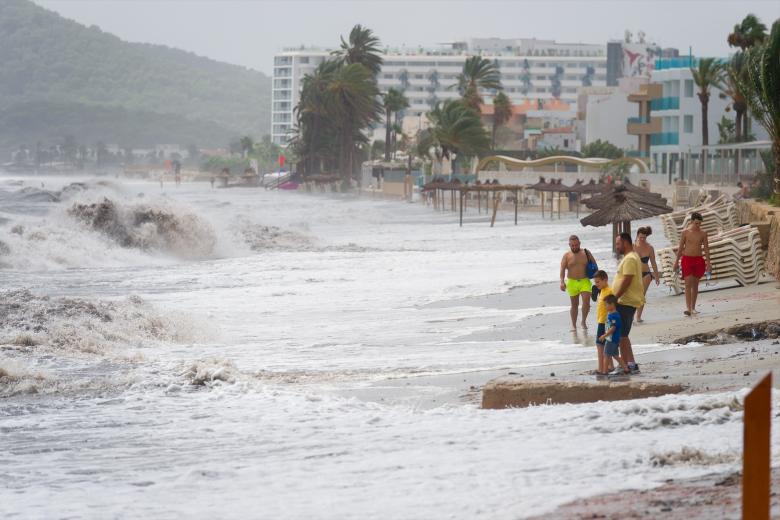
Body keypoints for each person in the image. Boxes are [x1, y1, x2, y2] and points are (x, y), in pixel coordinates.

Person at [612, 232, 644, 374]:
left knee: (621, 336)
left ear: (625, 242)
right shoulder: (631, 257)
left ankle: (627, 365)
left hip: (625, 301)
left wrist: (615, 297)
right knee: (622, 335)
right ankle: (628, 364)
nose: (616, 246)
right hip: (626, 301)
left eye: (618, 243)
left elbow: (627, 280)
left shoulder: (630, 258)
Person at [673, 212, 711, 317]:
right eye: (696, 223)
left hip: (698, 260)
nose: (698, 226)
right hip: (687, 260)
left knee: (695, 285)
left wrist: (708, 263)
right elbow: (680, 248)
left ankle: (693, 308)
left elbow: (706, 249)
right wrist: (676, 262)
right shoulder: (685, 232)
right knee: (687, 283)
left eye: (699, 224)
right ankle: (688, 309)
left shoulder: (703, 233)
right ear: (691, 222)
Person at [559, 235, 592, 331]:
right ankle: (573, 324)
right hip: (572, 282)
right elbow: (562, 270)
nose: (574, 247)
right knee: (574, 305)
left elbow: (595, 265)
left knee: (586, 302)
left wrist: (599, 280)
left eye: (576, 245)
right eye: (572, 245)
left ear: (579, 243)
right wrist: (562, 282)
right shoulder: (567, 255)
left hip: (584, 281)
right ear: (569, 245)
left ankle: (583, 321)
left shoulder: (586, 253)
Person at [634, 226, 660, 323]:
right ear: (637, 236)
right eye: (640, 237)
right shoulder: (632, 247)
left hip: (646, 274)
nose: (642, 239)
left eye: (644, 237)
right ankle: (630, 316)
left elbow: (653, 263)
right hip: (634, 275)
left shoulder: (649, 248)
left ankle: (638, 317)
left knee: (641, 295)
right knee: (634, 295)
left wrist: (656, 276)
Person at [599, 295, 630, 377]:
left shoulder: (614, 316)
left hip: (611, 339)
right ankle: (626, 369)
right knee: (615, 355)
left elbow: (613, 328)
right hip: (614, 339)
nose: (605, 306)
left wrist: (604, 335)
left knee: (606, 355)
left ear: (612, 304)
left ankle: (605, 372)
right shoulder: (613, 314)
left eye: (606, 304)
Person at [593, 270, 614, 377]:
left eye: (598, 282)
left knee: (599, 345)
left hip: (605, 322)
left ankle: (601, 368)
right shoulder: (602, 290)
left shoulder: (609, 291)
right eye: (595, 282)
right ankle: (610, 366)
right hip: (601, 320)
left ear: (605, 280)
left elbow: (612, 306)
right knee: (605, 344)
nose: (596, 284)